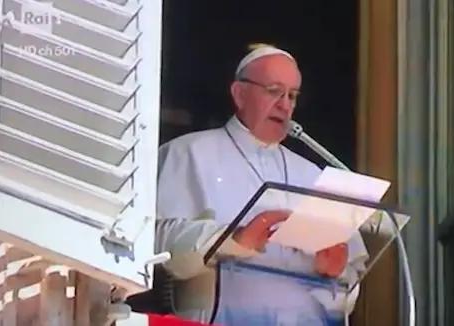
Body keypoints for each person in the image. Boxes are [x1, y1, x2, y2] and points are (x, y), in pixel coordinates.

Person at [155, 45, 368, 326]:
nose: (284, 105)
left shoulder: (314, 175)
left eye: (292, 96)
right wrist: (233, 238)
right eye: (273, 91)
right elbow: (158, 244)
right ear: (239, 94)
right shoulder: (189, 152)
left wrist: (336, 272)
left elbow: (350, 285)